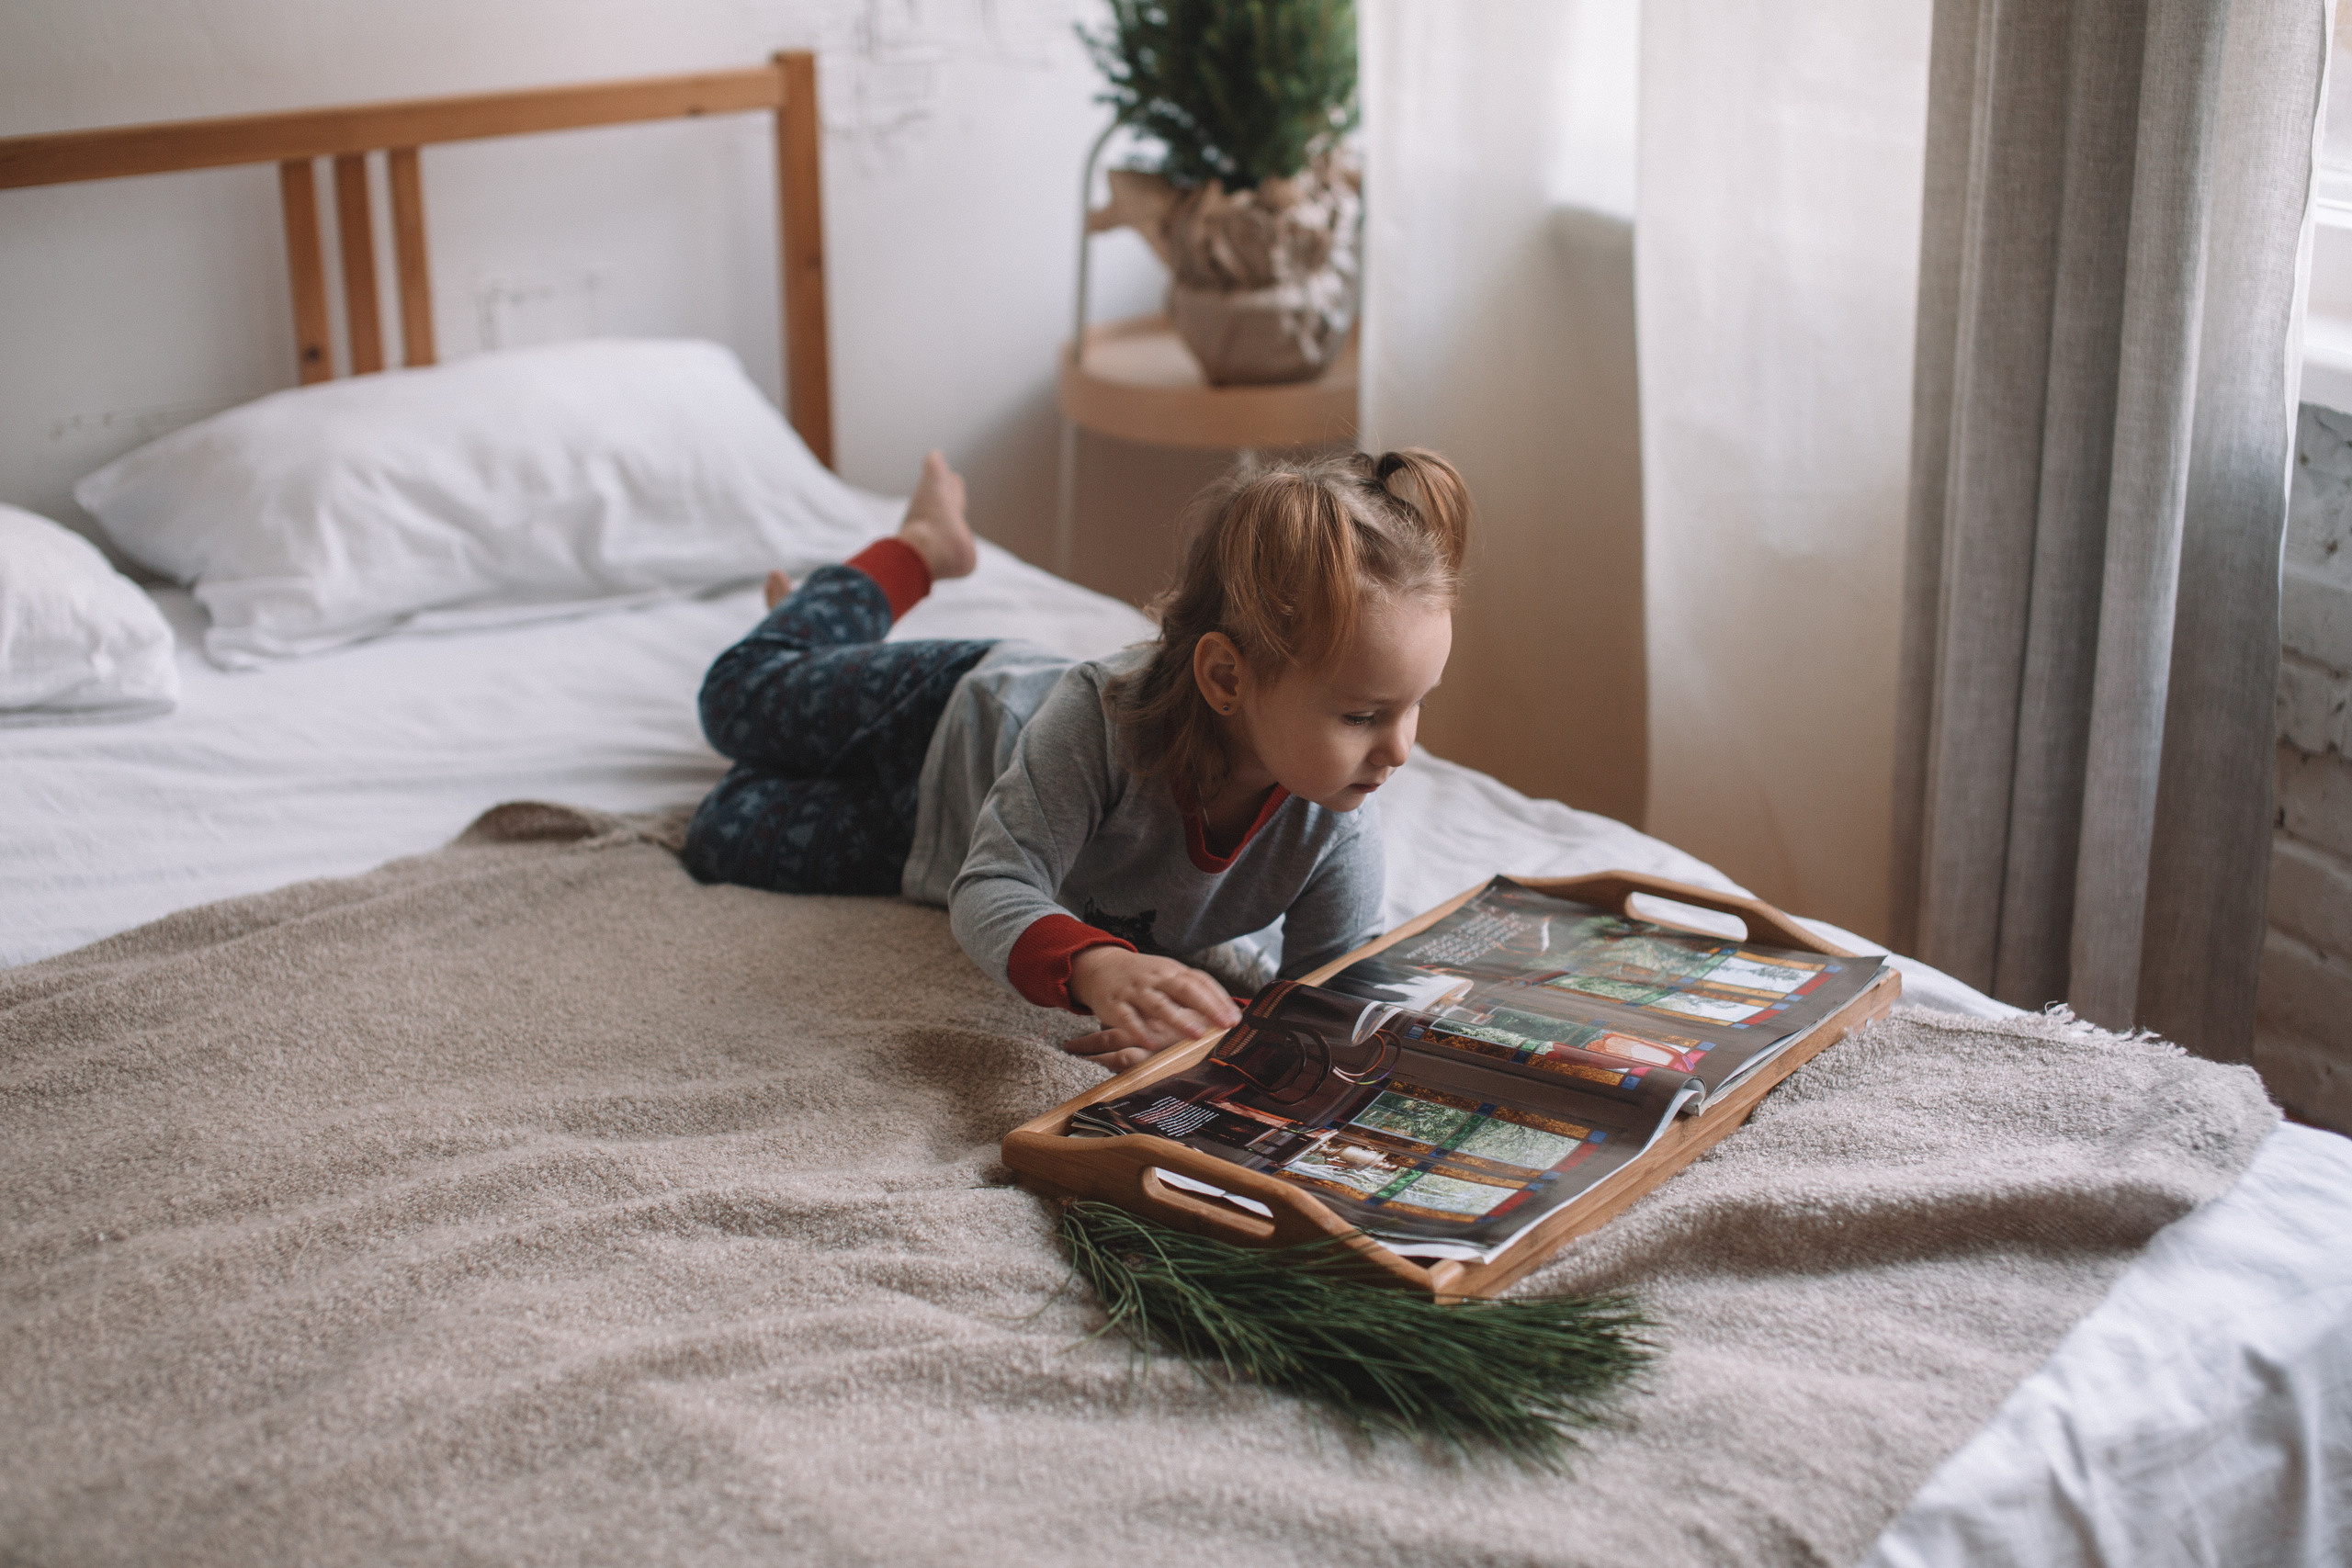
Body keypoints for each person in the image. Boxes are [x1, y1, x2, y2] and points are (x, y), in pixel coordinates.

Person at [683, 446, 1472, 1071]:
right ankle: (919, 550)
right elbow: (999, 883)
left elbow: (1322, 1013)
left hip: (934, 834)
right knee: (738, 699)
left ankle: (821, 679)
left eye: (1416, 705)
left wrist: (1207, 1047)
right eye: (1363, 714)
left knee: (719, 832)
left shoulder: (1339, 830)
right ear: (1227, 676)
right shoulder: (1100, 721)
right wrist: (1097, 967)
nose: (1400, 749)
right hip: (946, 715)